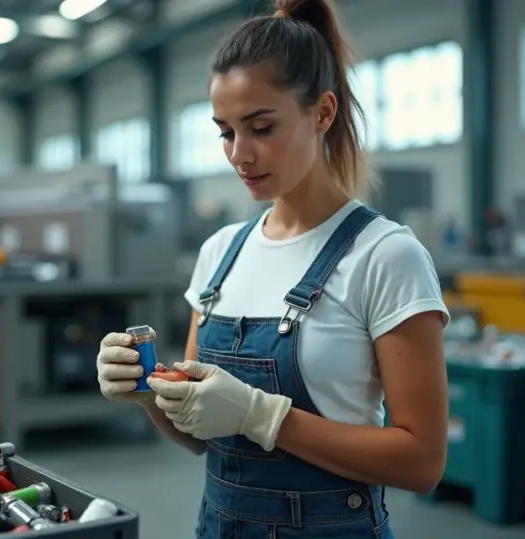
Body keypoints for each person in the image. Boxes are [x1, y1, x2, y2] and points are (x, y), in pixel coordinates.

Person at [95, 0, 450, 537]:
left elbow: (422, 462)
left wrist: (260, 416)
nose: (239, 154)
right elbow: (197, 435)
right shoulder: (220, 254)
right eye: (225, 132)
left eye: (261, 127)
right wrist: (148, 390)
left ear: (322, 113)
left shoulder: (385, 255)